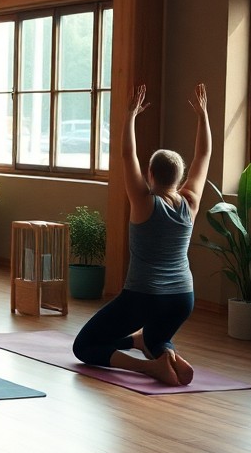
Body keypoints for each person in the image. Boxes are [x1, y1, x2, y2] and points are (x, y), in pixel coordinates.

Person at [72, 84, 210, 385]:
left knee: (83, 346)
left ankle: (150, 368)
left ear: (150, 174)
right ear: (179, 176)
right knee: (151, 338)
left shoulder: (144, 202)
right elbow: (203, 155)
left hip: (144, 296)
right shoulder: (190, 202)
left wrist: (130, 115)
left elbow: (126, 154)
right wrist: (203, 115)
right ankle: (165, 354)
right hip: (183, 298)